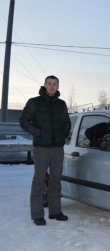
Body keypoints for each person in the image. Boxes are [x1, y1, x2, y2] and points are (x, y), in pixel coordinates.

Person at [19, 75, 71, 226]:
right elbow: (23, 121)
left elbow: (67, 122)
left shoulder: (61, 104)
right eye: (49, 83)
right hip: (42, 148)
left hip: (57, 148)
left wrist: (63, 135)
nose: (52, 86)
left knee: (56, 179)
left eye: (55, 84)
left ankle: (55, 211)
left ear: (58, 86)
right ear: (44, 85)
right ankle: (37, 215)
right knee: (39, 180)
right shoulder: (34, 102)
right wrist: (38, 133)